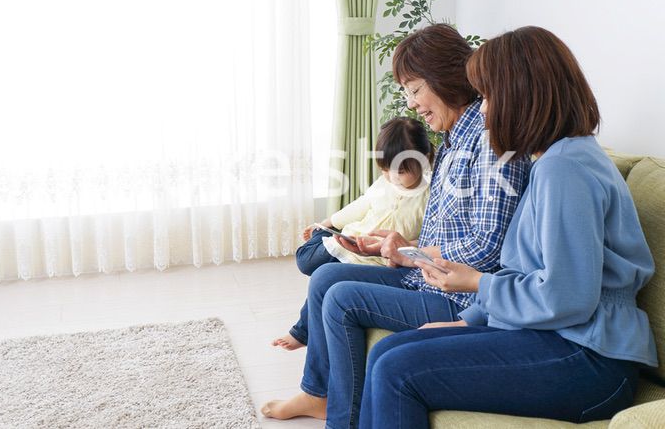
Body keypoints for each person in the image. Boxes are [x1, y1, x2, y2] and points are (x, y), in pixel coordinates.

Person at [346, 26, 657, 428]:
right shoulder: (552, 161)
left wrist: (478, 284)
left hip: (591, 358)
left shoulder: (565, 171)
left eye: (489, 95)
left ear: (521, 95)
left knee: (397, 368)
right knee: (389, 353)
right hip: (559, 338)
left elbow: (566, 298)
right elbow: (531, 274)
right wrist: (468, 320)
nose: (486, 110)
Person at [261, 24, 531, 422]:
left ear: (446, 76)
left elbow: (488, 246)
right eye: (407, 91)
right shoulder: (454, 139)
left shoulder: (490, 139)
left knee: (341, 297)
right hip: (427, 276)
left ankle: (341, 418)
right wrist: (402, 248)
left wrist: (414, 255)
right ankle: (318, 394)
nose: (411, 103)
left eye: (415, 88)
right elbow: (450, 232)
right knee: (324, 279)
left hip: (457, 296)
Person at [272, 117, 434, 351]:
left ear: (424, 159)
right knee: (306, 260)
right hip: (351, 239)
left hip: (375, 259)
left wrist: (402, 249)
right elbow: (361, 205)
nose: (392, 177)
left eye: (401, 171)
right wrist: (327, 222)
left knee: (323, 276)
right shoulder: (384, 184)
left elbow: (429, 240)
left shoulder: (429, 195)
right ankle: (323, 235)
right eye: (386, 170)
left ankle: (300, 332)